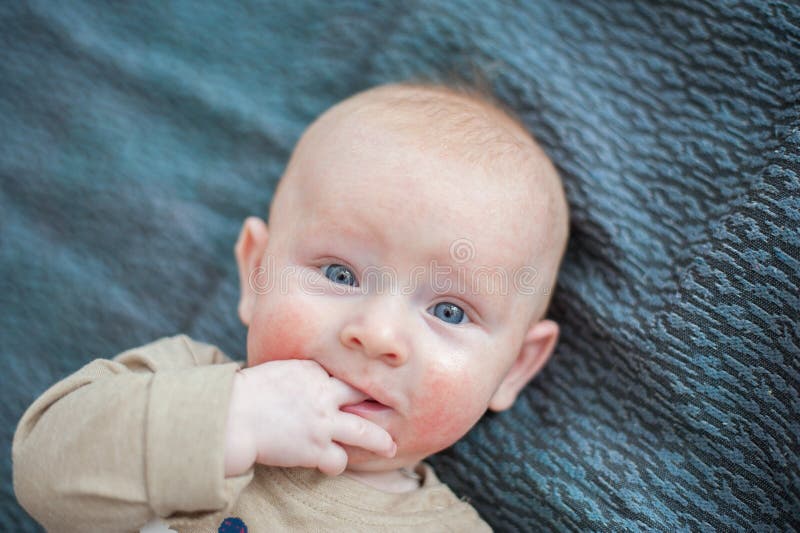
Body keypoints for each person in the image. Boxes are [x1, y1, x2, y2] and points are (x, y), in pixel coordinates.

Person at [13, 81, 569, 532]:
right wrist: (229, 418)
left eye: (449, 311)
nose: (376, 334)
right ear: (257, 274)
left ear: (515, 366)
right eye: (340, 274)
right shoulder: (176, 383)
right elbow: (42, 473)